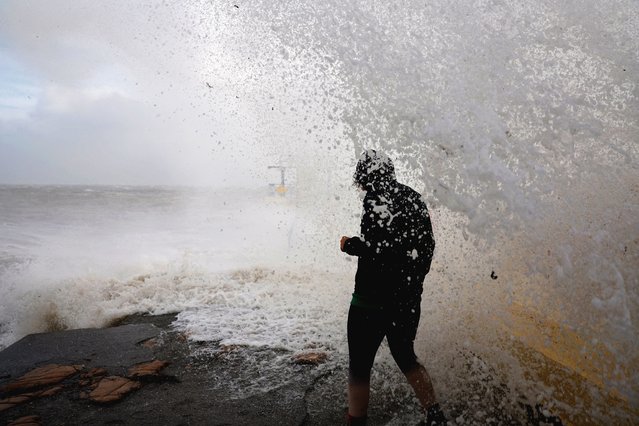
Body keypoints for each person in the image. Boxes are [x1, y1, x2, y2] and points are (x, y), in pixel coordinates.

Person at [340, 150, 447, 426]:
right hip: (407, 299)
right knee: (405, 355)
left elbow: (379, 249)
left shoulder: (375, 199)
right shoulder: (414, 197)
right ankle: (435, 416)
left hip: (370, 301)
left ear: (363, 177)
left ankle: (356, 421)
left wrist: (350, 244)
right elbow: (425, 249)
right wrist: (414, 286)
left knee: (360, 366)